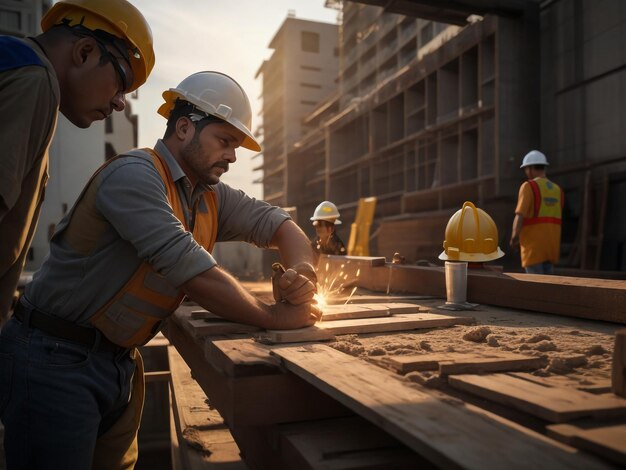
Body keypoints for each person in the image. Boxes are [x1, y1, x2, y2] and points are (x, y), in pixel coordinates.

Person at [0, 71, 320, 468]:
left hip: (116, 362)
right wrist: (274, 317)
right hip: (53, 360)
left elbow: (280, 225)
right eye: (225, 142)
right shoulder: (134, 176)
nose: (233, 157)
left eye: (235, 146)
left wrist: (304, 274)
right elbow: (192, 271)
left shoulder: (208, 196)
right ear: (184, 128)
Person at [0, 0, 155, 324]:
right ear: (84, 52)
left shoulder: (16, 66)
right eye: (122, 80)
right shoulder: (34, 80)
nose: (119, 102)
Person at [509, 150, 564, 274]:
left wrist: (514, 237)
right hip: (551, 247)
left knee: (536, 288)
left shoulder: (528, 186)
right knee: (549, 288)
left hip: (533, 249)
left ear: (530, 168)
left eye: (525, 169)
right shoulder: (557, 189)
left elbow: (520, 215)